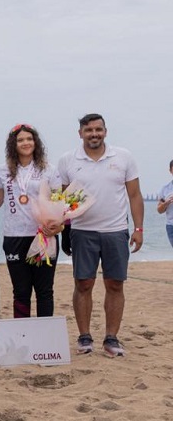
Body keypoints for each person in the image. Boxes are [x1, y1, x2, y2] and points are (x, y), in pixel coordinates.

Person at [57, 113, 144, 357]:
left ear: (105, 131)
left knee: (115, 284)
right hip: (82, 232)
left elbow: (135, 196)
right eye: (88, 130)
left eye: (98, 129)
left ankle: (111, 338)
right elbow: (65, 198)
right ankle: (84, 337)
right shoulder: (68, 160)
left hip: (115, 231)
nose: (94, 134)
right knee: (83, 284)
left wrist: (138, 229)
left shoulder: (123, 157)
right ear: (80, 133)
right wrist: (66, 229)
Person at [0, 125, 63, 318]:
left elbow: (60, 204)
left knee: (44, 291)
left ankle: (45, 334)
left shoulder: (49, 170)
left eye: (29, 139)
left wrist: (59, 226)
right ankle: (22, 335)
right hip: (14, 236)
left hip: (43, 236)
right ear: (13, 145)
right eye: (21, 140)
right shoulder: (1, 171)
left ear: (36, 142)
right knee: (21, 292)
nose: (26, 143)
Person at [159, 159, 173, 250]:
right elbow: (159, 210)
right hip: (171, 226)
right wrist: (166, 203)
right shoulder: (165, 189)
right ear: (170, 170)